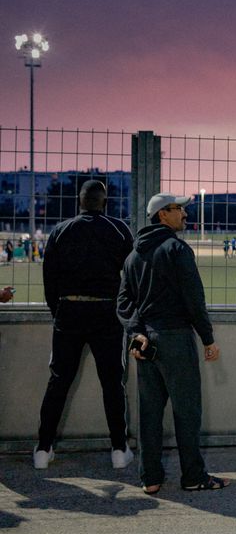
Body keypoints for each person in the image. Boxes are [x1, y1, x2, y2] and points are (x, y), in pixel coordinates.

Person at [117, 192, 229, 495]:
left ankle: (149, 477)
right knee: (187, 410)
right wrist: (208, 338)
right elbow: (194, 298)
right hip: (175, 338)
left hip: (145, 341)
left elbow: (124, 301)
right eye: (179, 209)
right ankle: (193, 476)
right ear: (162, 215)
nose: (185, 214)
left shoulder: (133, 255)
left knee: (150, 413)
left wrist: (136, 331)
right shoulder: (176, 249)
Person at [34, 180, 134, 470]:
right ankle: (118, 448)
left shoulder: (61, 231)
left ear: (79, 202)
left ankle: (43, 448)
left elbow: (49, 278)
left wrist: (59, 309)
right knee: (113, 382)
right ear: (105, 202)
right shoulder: (118, 229)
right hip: (106, 312)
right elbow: (130, 275)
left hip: (70, 310)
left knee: (58, 381)